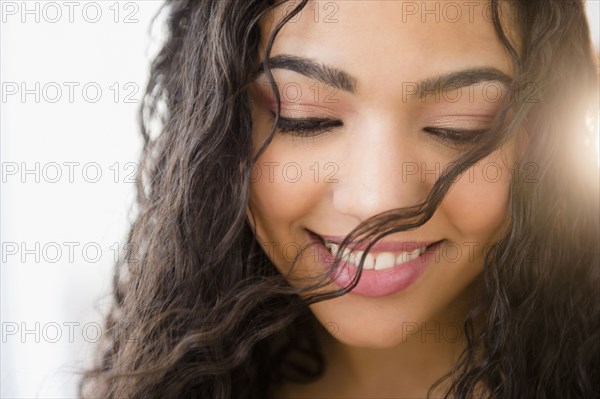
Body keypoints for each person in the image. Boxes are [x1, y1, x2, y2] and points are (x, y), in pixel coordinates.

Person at [79, 1, 599, 398]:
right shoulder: (148, 370)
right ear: (213, 128)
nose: (378, 201)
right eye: (306, 118)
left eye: (459, 126)